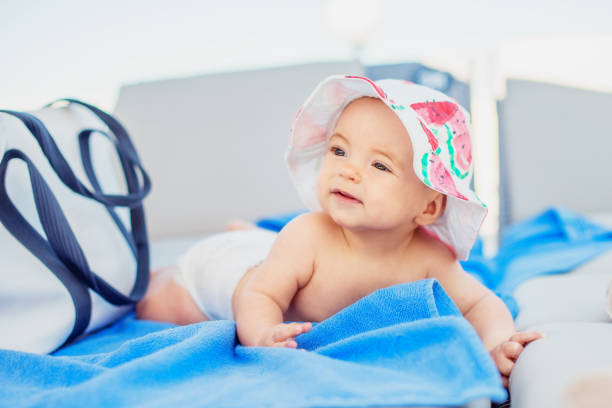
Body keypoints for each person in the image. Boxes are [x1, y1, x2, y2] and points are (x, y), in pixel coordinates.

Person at [136, 75, 543, 387]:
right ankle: (188, 265)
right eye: (338, 150)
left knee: (269, 252)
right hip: (227, 275)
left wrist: (496, 346)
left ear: (429, 206)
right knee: (159, 305)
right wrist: (261, 333)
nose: (348, 169)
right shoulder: (308, 235)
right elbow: (259, 294)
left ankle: (251, 236)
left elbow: (481, 305)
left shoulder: (429, 257)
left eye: (379, 165)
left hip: (275, 258)